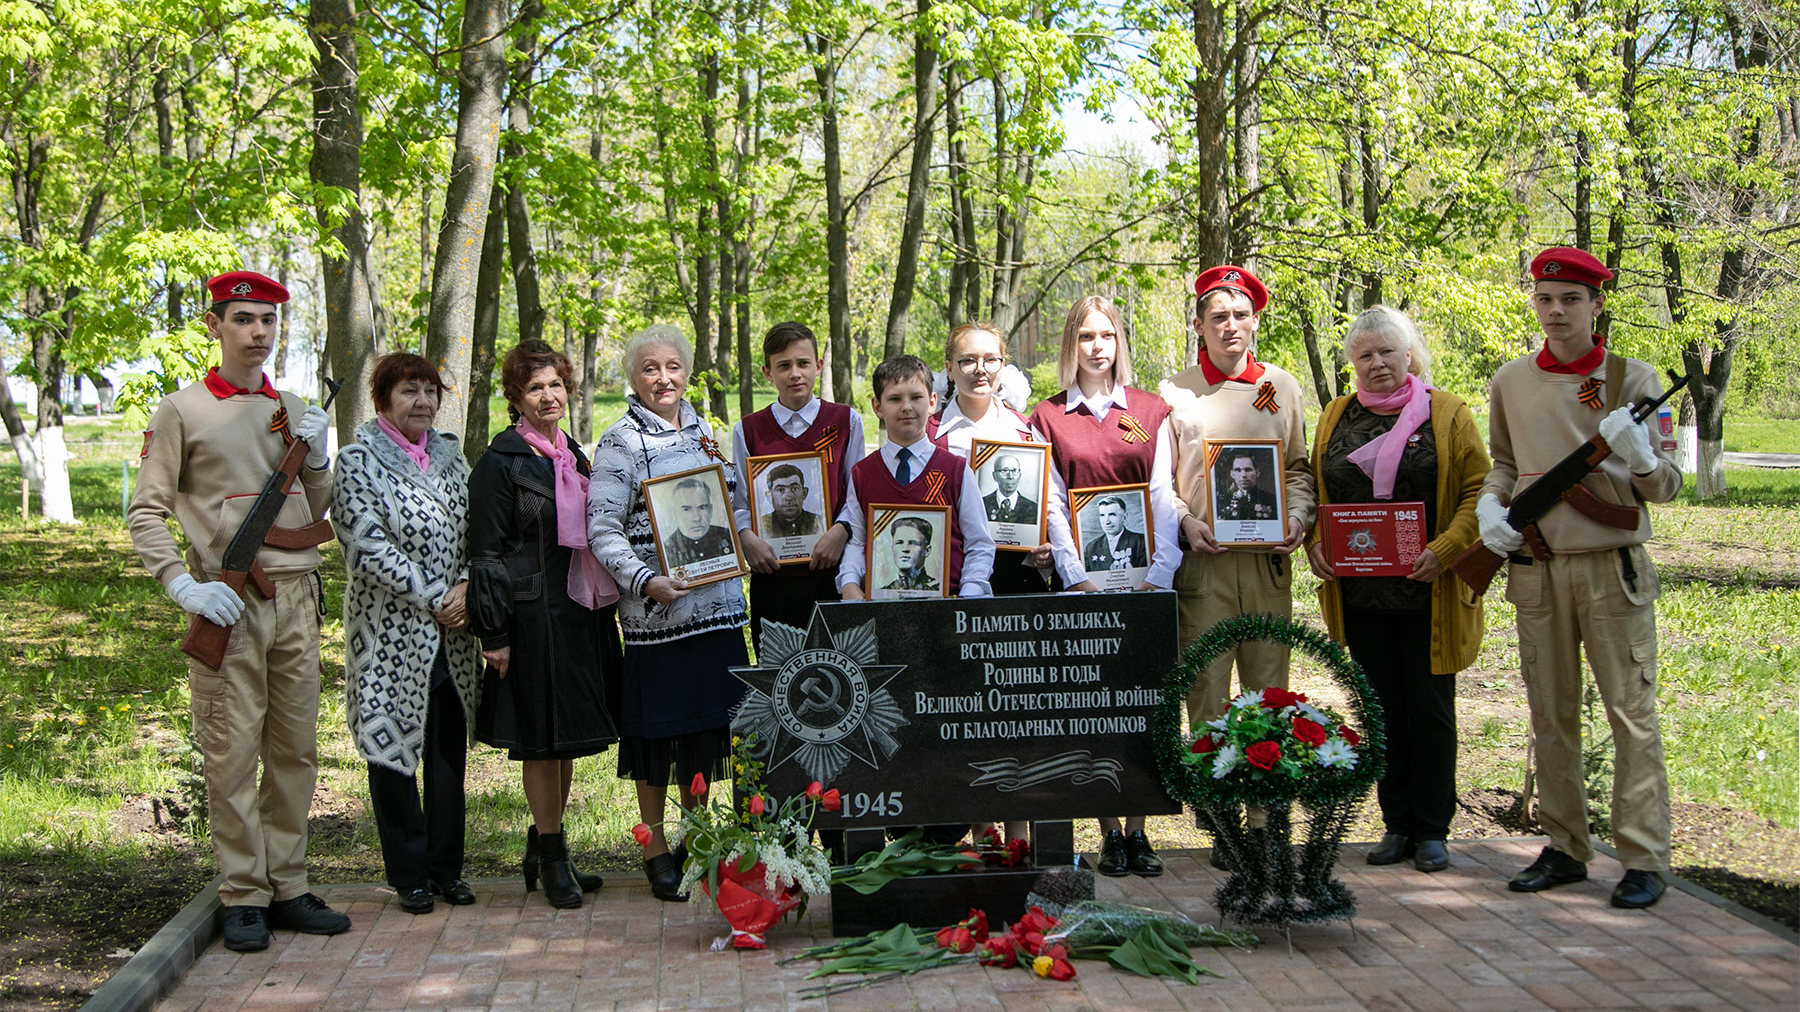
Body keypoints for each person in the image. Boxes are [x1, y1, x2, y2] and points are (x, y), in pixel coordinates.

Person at [127, 270, 350, 952]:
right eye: (245, 319)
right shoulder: (183, 410)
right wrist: (180, 585)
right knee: (231, 751)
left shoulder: (292, 404)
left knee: (295, 750)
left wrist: (315, 457)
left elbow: (317, 512)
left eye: (269, 322)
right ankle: (242, 893)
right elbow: (145, 510)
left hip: (298, 599)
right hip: (228, 603)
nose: (259, 333)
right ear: (214, 325)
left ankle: (288, 882)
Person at [1479, 248, 1680, 909]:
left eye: (1571, 299)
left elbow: (1668, 486)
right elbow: (1504, 465)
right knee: (1551, 715)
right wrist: (1490, 508)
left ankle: (1644, 857)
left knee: (1631, 713)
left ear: (1597, 305)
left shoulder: (1633, 377)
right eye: (1545, 298)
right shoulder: (1510, 381)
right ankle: (1566, 846)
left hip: (1609, 569)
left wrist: (1643, 456)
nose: (1557, 310)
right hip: (1538, 570)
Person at [1305, 307, 1488, 875]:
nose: (1377, 363)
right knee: (1378, 709)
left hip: (1427, 591)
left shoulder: (1448, 413)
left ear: (1410, 355)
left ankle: (1432, 828)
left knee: (1429, 710)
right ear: (1352, 363)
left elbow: (1481, 489)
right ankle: (1395, 822)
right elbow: (1317, 487)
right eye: (1365, 355)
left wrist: (1449, 547)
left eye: (1388, 352)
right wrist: (1315, 540)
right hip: (1361, 596)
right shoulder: (1336, 414)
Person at [589, 325, 750, 902]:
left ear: (687, 372)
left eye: (673, 367)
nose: (664, 378)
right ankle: (654, 849)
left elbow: (731, 506)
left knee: (707, 733)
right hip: (658, 621)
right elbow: (602, 530)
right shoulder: (620, 442)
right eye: (651, 368)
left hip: (718, 612)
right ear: (633, 378)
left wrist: (750, 543)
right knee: (659, 738)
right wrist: (644, 580)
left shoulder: (708, 432)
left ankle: (696, 839)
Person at [468, 340, 622, 910]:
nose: (548, 395)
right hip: (529, 618)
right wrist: (493, 633)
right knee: (540, 742)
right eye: (535, 387)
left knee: (568, 741)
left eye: (556, 384)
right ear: (516, 396)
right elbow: (484, 554)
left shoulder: (575, 457)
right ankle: (553, 856)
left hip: (579, 612)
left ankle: (549, 847)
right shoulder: (500, 462)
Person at [1030, 294, 1179, 877]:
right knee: (1092, 709)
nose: (1098, 347)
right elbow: (1051, 505)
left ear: (1120, 343)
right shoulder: (1047, 417)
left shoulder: (1150, 410)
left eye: (1107, 336)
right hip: (1084, 588)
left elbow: (1163, 497)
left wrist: (1159, 576)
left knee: (1144, 705)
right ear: (1071, 344)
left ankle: (1141, 830)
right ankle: (1108, 832)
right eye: (1087, 336)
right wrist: (1075, 576)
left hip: (1145, 585)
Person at [334, 354, 481, 913]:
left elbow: (474, 530)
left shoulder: (450, 457)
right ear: (382, 402)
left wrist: (464, 585)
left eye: (429, 391)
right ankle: (409, 875)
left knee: (447, 755)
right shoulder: (357, 460)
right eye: (408, 392)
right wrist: (430, 596)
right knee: (391, 750)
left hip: (454, 633)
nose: (422, 401)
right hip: (389, 635)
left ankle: (447, 869)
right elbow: (364, 541)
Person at [1160, 266, 1315, 725]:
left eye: (1241, 315)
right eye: (1219, 317)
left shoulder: (1281, 386)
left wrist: (1299, 518)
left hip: (1267, 565)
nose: (1231, 326)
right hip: (1204, 567)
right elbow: (1161, 485)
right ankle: (1212, 799)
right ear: (1199, 327)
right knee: (1205, 693)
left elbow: (1296, 470)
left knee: (1269, 697)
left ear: (1255, 321)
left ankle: (1267, 800)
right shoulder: (1174, 392)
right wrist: (1186, 522)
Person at [731, 322, 864, 654]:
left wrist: (841, 530)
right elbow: (740, 501)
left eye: (803, 363)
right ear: (767, 372)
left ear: (818, 366)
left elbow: (856, 494)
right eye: (784, 365)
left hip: (830, 570)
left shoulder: (846, 421)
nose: (795, 374)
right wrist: (747, 537)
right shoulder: (748, 430)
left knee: (837, 670)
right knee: (777, 677)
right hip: (773, 575)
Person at [839, 354, 995, 601]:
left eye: (916, 397)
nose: (906, 407)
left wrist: (969, 595)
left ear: (932, 402)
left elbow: (979, 544)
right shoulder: (862, 474)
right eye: (894, 399)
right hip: (880, 609)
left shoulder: (955, 470)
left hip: (947, 608)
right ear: (877, 407)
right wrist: (849, 584)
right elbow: (857, 543)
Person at [927, 321, 1047, 594]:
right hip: (949, 577)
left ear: (1003, 366)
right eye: (968, 361)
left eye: (991, 360)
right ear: (949, 369)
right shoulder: (928, 435)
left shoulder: (1026, 432)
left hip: (1016, 576)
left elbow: (1044, 508)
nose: (981, 369)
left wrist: (1044, 546)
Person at [663, 477, 735, 568]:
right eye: (686, 509)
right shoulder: (667, 549)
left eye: (702, 508)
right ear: (674, 513)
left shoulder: (729, 537)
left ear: (711, 510)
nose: (696, 517)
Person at [1083, 495, 1148, 571]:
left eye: (1112, 515)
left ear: (1124, 517)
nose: (1107, 521)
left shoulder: (1141, 542)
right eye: (1102, 515)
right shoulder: (1092, 547)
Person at [759, 464, 822, 537]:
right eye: (780, 490)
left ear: (804, 493)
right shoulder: (761, 526)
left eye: (795, 489)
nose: (788, 497)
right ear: (769, 496)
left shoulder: (819, 522)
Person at [882, 516, 941, 591]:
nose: (905, 549)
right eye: (899, 543)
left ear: (927, 551)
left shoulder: (937, 590)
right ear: (892, 548)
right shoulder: (885, 592)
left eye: (913, 543)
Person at [1216, 451, 1280, 521]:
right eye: (1238, 470)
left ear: (1257, 472)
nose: (1243, 475)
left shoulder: (1271, 500)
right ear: (1232, 474)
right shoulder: (1223, 501)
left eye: (1248, 470)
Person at [984, 454, 1038, 525]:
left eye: (1014, 471)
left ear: (1019, 476)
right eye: (1005, 471)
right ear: (995, 476)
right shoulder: (982, 504)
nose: (1010, 476)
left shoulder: (1033, 509)